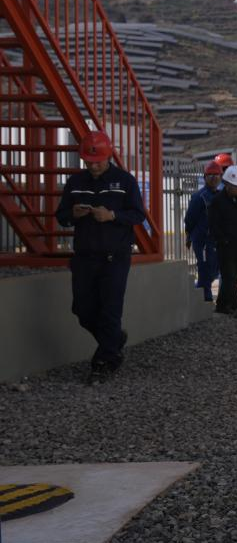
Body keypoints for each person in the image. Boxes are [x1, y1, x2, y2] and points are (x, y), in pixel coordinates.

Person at [55, 131, 147, 379]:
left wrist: (112, 216)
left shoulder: (125, 181)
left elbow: (138, 214)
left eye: (98, 161)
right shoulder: (75, 183)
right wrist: (73, 214)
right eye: (89, 161)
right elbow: (61, 216)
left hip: (115, 257)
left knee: (110, 310)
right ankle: (114, 340)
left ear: (108, 156)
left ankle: (105, 361)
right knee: (82, 310)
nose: (93, 166)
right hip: (85, 257)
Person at [210, 165, 237, 318]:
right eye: (235, 186)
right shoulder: (217, 201)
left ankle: (222, 304)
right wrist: (222, 240)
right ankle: (234, 304)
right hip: (226, 247)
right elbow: (213, 224)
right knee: (228, 275)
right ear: (227, 184)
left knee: (234, 276)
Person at [185, 160, 222, 302]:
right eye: (210, 175)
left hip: (216, 240)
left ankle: (199, 290)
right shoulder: (199, 197)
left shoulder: (221, 196)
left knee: (214, 269)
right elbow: (190, 219)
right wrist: (189, 236)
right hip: (202, 241)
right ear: (205, 177)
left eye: (216, 175)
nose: (214, 178)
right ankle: (205, 296)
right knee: (205, 267)